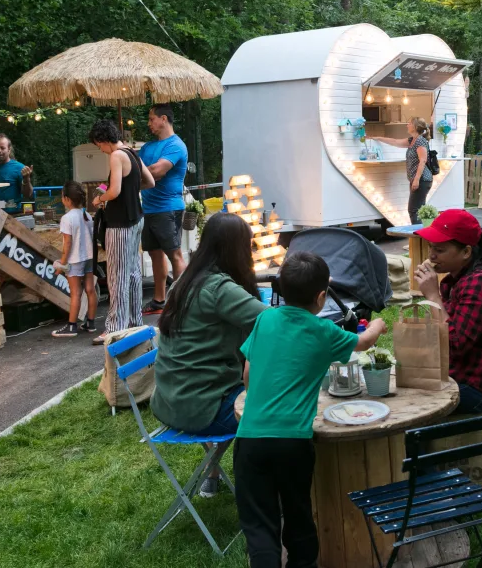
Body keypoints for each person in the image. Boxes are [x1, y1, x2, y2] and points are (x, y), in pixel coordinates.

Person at [234, 252, 386, 568]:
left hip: (249, 440)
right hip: (293, 443)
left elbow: (248, 374)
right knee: (298, 513)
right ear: (320, 297)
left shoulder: (265, 318)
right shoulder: (323, 332)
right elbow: (363, 342)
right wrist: (379, 325)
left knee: (260, 524)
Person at [151, 212, 269, 497]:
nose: (251, 252)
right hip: (201, 408)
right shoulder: (220, 289)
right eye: (249, 246)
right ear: (234, 249)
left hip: (168, 401)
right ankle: (262, 494)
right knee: (278, 408)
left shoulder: (184, 282)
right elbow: (276, 323)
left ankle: (212, 470)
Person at [414, 209, 482, 414]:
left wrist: (433, 297)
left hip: (477, 389)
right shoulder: (457, 280)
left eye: (440, 250)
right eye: (431, 247)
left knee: (411, 405)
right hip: (457, 377)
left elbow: (456, 343)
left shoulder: (480, 282)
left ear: (466, 252)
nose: (432, 255)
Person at [90, 119, 155, 344]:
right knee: (134, 273)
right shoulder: (132, 153)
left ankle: (115, 328)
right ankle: (134, 322)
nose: (100, 149)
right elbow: (150, 182)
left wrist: (99, 198)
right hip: (137, 219)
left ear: (104, 140)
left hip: (119, 224)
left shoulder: (116, 155)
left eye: (99, 145)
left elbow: (115, 190)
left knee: (117, 276)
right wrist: (131, 190)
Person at [139, 103, 190, 315]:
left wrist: (136, 176)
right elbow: (134, 169)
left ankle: (183, 303)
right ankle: (159, 300)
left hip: (168, 208)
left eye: (152, 119)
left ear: (163, 119)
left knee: (175, 255)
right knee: (154, 255)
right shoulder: (147, 147)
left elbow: (157, 171)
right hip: (148, 209)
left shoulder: (176, 145)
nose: (149, 123)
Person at [51, 181, 98, 339]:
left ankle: (72, 326)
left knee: (76, 293)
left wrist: (62, 265)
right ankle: (90, 323)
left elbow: (68, 245)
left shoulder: (67, 218)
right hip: (89, 258)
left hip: (74, 260)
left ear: (67, 199)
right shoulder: (87, 217)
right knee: (90, 290)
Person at [366, 117, 433, 223]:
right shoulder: (412, 140)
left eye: (409, 123)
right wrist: (377, 138)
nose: (407, 125)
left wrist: (416, 180)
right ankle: (424, 234)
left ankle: (418, 235)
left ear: (415, 126)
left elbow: (423, 161)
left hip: (422, 180)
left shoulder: (420, 141)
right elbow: (395, 141)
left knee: (413, 209)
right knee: (419, 209)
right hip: (419, 180)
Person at [0, 134, 34, 210]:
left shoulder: (19, 168)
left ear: (9, 149)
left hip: (13, 215)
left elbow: (28, 194)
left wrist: (26, 180)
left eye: (2, 148)